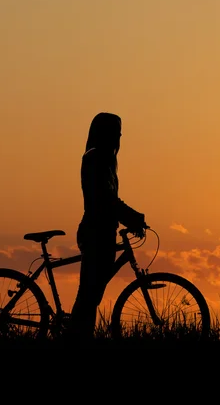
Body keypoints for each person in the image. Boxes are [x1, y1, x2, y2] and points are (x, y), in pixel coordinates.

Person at [70, 112, 146, 341]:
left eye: (119, 134)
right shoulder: (96, 159)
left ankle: (81, 336)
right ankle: (76, 337)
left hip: (103, 231)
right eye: (114, 133)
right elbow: (106, 200)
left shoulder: (105, 159)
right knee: (88, 295)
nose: (117, 138)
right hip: (95, 232)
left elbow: (110, 200)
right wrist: (133, 218)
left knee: (92, 295)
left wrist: (129, 218)